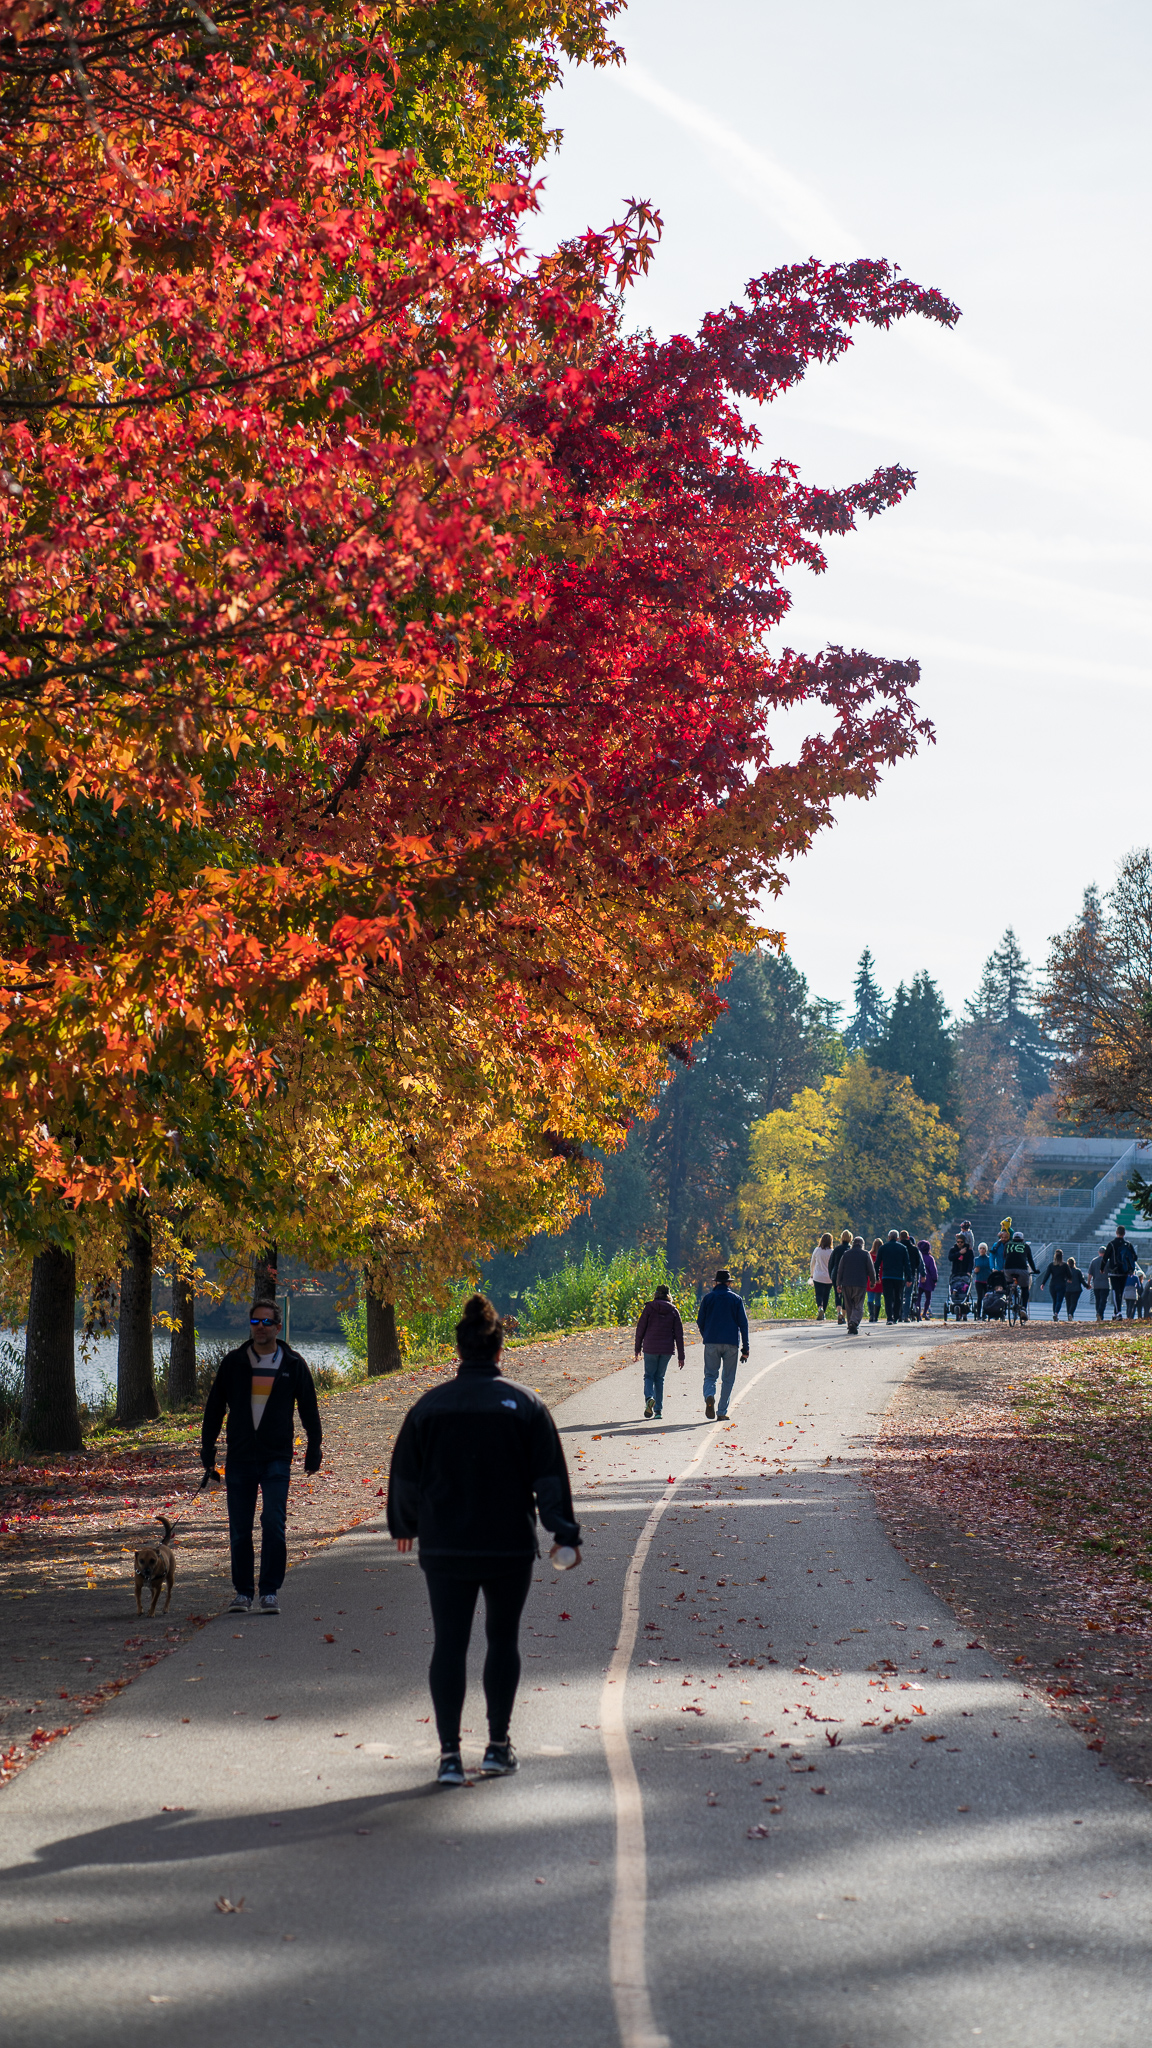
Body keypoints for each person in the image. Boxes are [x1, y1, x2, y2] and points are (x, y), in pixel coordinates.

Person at [387, 1294, 580, 1786]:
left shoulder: (429, 1406)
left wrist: (405, 1525)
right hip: (507, 1544)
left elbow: (406, 1473)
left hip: (445, 1544)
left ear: (460, 1350)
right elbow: (549, 1478)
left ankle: (449, 1756)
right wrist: (564, 1533)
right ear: (499, 1351)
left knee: (449, 1644)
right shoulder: (526, 1405)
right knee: (502, 1638)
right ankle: (497, 1746)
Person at [201, 1298, 322, 1616]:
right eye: (255, 1322)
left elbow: (309, 1408)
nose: (260, 1328)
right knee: (240, 1529)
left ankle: (269, 1591)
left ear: (278, 1327)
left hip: (276, 1457)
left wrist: (314, 1446)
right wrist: (207, 1449)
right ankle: (243, 1593)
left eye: (266, 1322)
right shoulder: (234, 1362)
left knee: (273, 1523)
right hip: (240, 1457)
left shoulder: (293, 1364)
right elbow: (215, 1408)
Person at [697, 1269, 750, 1419]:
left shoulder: (708, 1298)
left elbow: (700, 1321)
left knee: (710, 1375)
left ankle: (709, 1395)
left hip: (711, 1342)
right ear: (728, 1283)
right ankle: (721, 1412)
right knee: (728, 1378)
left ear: (716, 1282)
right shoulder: (736, 1299)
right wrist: (745, 1348)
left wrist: (706, 1335)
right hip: (731, 1343)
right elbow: (743, 1324)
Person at [634, 1284, 685, 1419]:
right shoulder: (674, 1310)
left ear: (656, 1294)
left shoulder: (649, 1308)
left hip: (650, 1347)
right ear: (669, 1295)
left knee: (649, 1376)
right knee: (659, 1378)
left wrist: (637, 1348)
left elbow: (640, 1329)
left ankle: (649, 1398)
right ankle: (658, 1411)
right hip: (666, 1349)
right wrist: (681, 1356)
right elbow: (679, 1335)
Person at [837, 1235, 875, 1334]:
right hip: (860, 1283)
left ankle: (850, 1324)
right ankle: (853, 1322)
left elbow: (840, 1270)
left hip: (847, 1283)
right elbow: (871, 1269)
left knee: (849, 1305)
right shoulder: (865, 1254)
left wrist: (838, 1283)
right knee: (858, 1305)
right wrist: (872, 1281)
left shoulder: (846, 1254)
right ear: (862, 1244)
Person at [1102, 1224, 1137, 1319]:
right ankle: (1115, 1313)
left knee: (1115, 1291)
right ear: (1124, 1233)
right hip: (1124, 1272)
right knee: (1120, 1292)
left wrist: (1102, 1268)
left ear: (1116, 1233)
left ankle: (1118, 1312)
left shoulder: (1111, 1244)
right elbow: (1135, 1257)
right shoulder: (1128, 1245)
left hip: (1114, 1272)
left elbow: (1105, 1258)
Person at [1003, 1226, 1037, 1319]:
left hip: (1008, 1269)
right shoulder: (1026, 1246)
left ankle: (1008, 1296)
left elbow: (1005, 1257)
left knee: (1008, 1283)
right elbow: (1030, 1260)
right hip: (1022, 1269)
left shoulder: (1007, 1245)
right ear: (1022, 1240)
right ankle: (1023, 1308)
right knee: (1025, 1288)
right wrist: (1035, 1270)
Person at [877, 1231, 910, 1325]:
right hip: (898, 1276)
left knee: (888, 1297)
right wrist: (909, 1278)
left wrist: (876, 1275)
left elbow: (877, 1263)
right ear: (897, 1238)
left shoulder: (883, 1248)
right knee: (898, 1297)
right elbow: (907, 1264)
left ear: (888, 1237)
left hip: (886, 1275)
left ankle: (889, 1317)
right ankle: (896, 1316)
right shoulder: (903, 1248)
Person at [828, 1228, 853, 1325]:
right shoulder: (851, 1250)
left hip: (836, 1275)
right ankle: (844, 1314)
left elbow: (831, 1263)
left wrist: (831, 1274)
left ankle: (838, 1313)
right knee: (846, 1296)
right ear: (850, 1238)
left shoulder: (837, 1249)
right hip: (847, 1276)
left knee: (837, 1294)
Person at [899, 1231, 923, 1322]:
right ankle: (906, 1315)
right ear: (908, 1237)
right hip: (911, 1273)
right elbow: (918, 1262)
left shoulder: (899, 1248)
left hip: (900, 1274)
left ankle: (899, 1314)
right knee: (909, 1295)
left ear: (900, 1238)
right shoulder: (914, 1249)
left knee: (900, 1294)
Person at [1039, 1249, 1069, 1322]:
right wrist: (1068, 1279)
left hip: (1052, 1285)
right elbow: (1069, 1274)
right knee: (1059, 1300)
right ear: (1062, 1256)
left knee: (1054, 1301)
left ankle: (1055, 1314)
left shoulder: (1051, 1265)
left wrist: (1043, 1283)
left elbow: (1047, 1275)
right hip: (1061, 1284)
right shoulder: (1065, 1265)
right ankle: (1056, 1313)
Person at [810, 1234, 834, 1321]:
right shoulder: (832, 1252)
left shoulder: (817, 1250)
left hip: (818, 1276)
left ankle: (820, 1308)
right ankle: (824, 1313)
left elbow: (812, 1263)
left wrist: (812, 1273)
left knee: (818, 1294)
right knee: (826, 1295)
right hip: (828, 1277)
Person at [916, 1239, 938, 1319]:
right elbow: (933, 1270)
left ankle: (918, 1313)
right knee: (928, 1297)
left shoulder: (918, 1256)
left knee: (918, 1297)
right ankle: (925, 1312)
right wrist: (935, 1279)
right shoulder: (930, 1258)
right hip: (928, 1280)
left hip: (919, 1278)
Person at [1088, 1246, 1109, 1323]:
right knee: (1103, 1300)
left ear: (1098, 1252)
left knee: (1098, 1300)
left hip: (1096, 1284)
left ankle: (1098, 1313)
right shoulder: (1108, 1261)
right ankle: (1100, 1313)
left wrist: (1088, 1283)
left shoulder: (1094, 1261)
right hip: (1105, 1284)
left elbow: (1090, 1274)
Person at [972, 1242, 993, 1319]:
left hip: (987, 1281)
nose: (982, 1250)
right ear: (978, 1250)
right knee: (979, 1297)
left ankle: (984, 1314)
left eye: (983, 1248)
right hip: (979, 1281)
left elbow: (991, 1269)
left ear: (986, 1250)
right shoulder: (976, 1260)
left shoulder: (989, 1259)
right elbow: (972, 1270)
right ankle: (978, 1314)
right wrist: (975, 1271)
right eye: (980, 1248)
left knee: (986, 1298)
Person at [866, 1239, 884, 1323]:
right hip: (880, 1278)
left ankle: (871, 1315)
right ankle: (876, 1316)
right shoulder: (882, 1256)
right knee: (878, 1299)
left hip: (871, 1278)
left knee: (870, 1298)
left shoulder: (869, 1255)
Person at [1063, 1256, 1084, 1321]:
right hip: (1076, 1290)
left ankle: (1069, 1315)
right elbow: (1081, 1280)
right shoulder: (1077, 1271)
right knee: (1074, 1303)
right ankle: (1071, 1313)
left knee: (1068, 1303)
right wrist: (1087, 1286)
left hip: (1067, 1289)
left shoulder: (1065, 1272)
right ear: (1074, 1263)